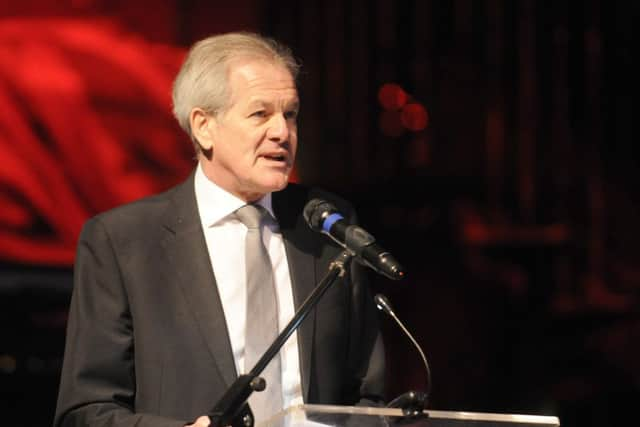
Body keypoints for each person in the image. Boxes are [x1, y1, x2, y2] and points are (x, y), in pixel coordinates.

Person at [54, 32, 385, 427]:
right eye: (260, 114)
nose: (282, 132)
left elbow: (368, 396)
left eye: (290, 113)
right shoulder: (123, 243)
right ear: (204, 126)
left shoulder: (327, 225)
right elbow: (85, 412)